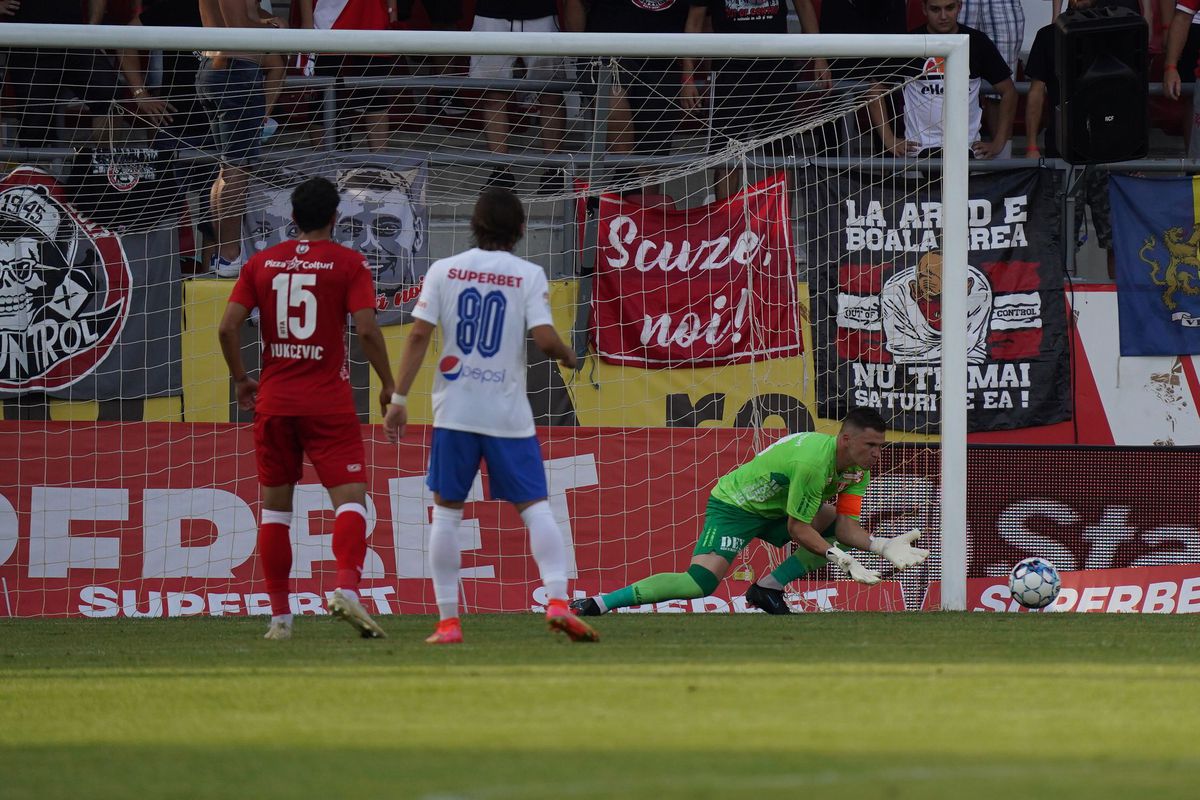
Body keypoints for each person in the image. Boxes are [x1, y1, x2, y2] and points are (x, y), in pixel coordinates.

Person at [382, 187, 598, 645]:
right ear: (520, 230)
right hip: (506, 416)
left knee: (446, 514)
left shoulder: (443, 270)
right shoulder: (527, 274)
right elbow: (543, 338)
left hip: (456, 412)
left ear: (474, 226)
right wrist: (568, 355)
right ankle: (558, 601)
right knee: (536, 507)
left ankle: (448, 622)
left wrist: (399, 400)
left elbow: (418, 335)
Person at [217, 176, 395, 641]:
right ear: (336, 218)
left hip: (274, 401)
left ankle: (280, 619)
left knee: (276, 511)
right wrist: (389, 385)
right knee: (351, 502)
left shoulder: (260, 263)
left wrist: (240, 379)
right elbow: (368, 331)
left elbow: (226, 328)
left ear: (292, 219)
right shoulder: (349, 263)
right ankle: (346, 590)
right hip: (327, 403)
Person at [571, 407, 930, 616]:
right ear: (846, 440)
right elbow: (797, 529)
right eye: (871, 445)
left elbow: (847, 526)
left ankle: (766, 589)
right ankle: (598, 604)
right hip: (736, 506)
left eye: (881, 447)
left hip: (780, 506)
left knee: (836, 528)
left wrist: (880, 546)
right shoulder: (812, 464)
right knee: (700, 583)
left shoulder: (857, 469)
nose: (877, 454)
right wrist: (841, 558)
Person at [682, 0, 829, 201]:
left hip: (775, 67)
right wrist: (688, 76)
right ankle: (727, 227)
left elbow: (803, 5)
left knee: (781, 153)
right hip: (729, 70)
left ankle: (778, 227)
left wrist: (819, 56)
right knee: (727, 155)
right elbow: (695, 21)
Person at [1025, 0, 1116, 278]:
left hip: (1111, 152)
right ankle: (1066, 306)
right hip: (1062, 152)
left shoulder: (1115, 30)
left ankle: (1122, 304)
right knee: (1063, 240)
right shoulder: (1048, 36)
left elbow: (1131, 91)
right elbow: (1036, 92)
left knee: (1119, 239)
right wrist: (1031, 144)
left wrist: (1135, 148)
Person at [867, 0, 1016, 159]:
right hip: (917, 153)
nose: (943, 16)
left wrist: (998, 142)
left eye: (949, 8)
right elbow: (874, 90)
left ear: (959, 6)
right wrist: (889, 140)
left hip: (966, 152)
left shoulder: (977, 42)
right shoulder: (909, 43)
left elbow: (1009, 92)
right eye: (935, 9)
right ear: (924, 9)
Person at [197, 0, 282, 277]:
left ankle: (225, 254)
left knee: (227, 168)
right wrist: (270, 31)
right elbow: (237, 28)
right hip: (232, 71)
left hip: (224, 69)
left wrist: (266, 22)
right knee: (235, 168)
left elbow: (246, 16)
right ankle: (231, 255)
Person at [470, 0, 568, 193]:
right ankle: (501, 171)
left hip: (541, 12)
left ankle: (554, 170)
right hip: (491, 13)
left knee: (551, 92)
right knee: (494, 93)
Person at [2, 0, 121, 149]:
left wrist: (92, 32)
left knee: (110, 93)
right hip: (27, 44)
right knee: (34, 122)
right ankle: (35, 170)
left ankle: (105, 164)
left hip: (74, 40)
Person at [297, 0, 401, 150]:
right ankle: (320, 163)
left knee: (375, 93)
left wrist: (393, 11)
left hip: (373, 18)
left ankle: (380, 162)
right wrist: (307, 22)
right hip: (328, 21)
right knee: (322, 95)